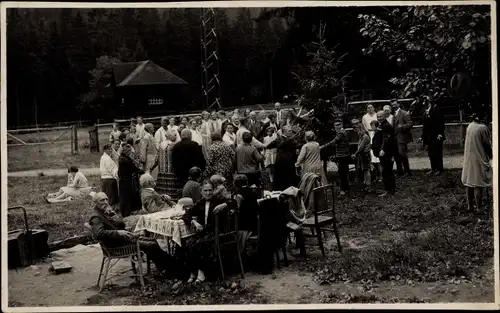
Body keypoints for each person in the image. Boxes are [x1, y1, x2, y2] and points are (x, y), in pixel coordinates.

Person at [88, 192, 170, 276]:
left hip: (122, 240)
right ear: (95, 203)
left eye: (106, 199)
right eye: (102, 200)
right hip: (116, 246)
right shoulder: (96, 217)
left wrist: (113, 215)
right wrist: (118, 232)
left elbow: (122, 224)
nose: (105, 202)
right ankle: (167, 269)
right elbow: (99, 233)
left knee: (152, 240)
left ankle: (168, 265)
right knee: (151, 245)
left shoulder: (104, 212)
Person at [182, 181, 236, 283]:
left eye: (210, 190)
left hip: (218, 232)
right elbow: (186, 214)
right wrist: (194, 222)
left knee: (200, 244)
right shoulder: (200, 202)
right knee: (189, 243)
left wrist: (224, 204)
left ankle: (201, 273)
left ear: (213, 190)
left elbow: (234, 202)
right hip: (205, 231)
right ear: (201, 192)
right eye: (205, 191)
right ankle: (193, 272)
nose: (208, 193)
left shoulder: (218, 200)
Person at [461, 112, 492, 215]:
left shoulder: (470, 126)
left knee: (469, 182)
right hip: (479, 158)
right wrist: (492, 156)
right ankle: (480, 207)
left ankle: (470, 206)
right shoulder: (483, 128)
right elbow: (487, 145)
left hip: (469, 158)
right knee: (478, 183)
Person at [320, 120, 351, 196]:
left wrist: (322, 147)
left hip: (343, 156)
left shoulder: (341, 133)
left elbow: (333, 141)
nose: (337, 126)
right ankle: (346, 188)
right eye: (335, 125)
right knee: (344, 172)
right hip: (343, 155)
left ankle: (343, 190)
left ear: (341, 125)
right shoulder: (341, 132)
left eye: (338, 125)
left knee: (342, 173)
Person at [264, 125, 300, 191]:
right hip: (282, 163)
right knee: (283, 179)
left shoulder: (291, 138)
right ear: (284, 132)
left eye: (291, 131)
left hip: (289, 162)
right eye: (289, 131)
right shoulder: (280, 138)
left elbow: (296, 145)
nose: (291, 132)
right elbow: (274, 145)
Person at [150, 130, 182, 201]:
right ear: (170, 136)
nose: (176, 136)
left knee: (163, 192)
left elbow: (156, 159)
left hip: (162, 172)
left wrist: (151, 168)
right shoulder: (174, 145)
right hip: (172, 172)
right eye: (175, 135)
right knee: (172, 193)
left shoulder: (161, 145)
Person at [371, 110, 397, 197]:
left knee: (387, 171)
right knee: (386, 170)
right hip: (384, 152)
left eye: (381, 116)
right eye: (378, 117)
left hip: (386, 152)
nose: (379, 118)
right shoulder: (381, 125)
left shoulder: (386, 126)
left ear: (385, 116)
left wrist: (383, 149)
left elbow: (386, 139)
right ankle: (390, 189)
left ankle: (389, 190)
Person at [420, 96, 446, 175]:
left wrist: (440, 133)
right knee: (431, 153)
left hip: (436, 135)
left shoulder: (436, 109)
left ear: (429, 102)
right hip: (429, 136)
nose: (424, 103)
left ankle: (439, 169)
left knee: (437, 152)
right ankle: (433, 168)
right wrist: (422, 136)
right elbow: (425, 126)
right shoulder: (425, 112)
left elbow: (440, 122)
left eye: (425, 102)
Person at [118, 144, 144, 217]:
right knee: (127, 198)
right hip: (126, 182)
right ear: (125, 151)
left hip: (127, 181)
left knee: (130, 197)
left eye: (130, 150)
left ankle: (132, 211)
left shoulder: (125, 158)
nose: (130, 152)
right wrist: (141, 171)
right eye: (129, 151)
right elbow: (133, 168)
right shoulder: (124, 159)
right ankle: (129, 213)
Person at [391, 99, 414, 176]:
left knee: (402, 154)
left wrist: (402, 126)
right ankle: (400, 171)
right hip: (395, 137)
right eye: (392, 105)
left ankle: (407, 171)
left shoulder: (404, 113)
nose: (393, 106)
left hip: (402, 137)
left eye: (395, 104)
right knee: (397, 155)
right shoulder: (393, 114)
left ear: (398, 104)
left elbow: (410, 124)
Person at [351, 119, 372, 192]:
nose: (357, 132)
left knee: (366, 170)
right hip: (362, 155)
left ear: (361, 129)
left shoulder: (365, 137)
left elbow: (361, 147)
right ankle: (365, 183)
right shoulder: (361, 136)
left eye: (358, 130)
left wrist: (355, 154)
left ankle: (368, 185)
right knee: (364, 170)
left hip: (365, 155)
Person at [100, 144, 119, 209]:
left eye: (111, 149)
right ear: (105, 150)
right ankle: (111, 209)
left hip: (105, 179)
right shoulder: (107, 159)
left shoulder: (104, 157)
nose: (110, 150)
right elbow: (111, 169)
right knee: (110, 197)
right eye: (109, 149)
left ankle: (108, 208)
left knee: (107, 196)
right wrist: (116, 176)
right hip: (109, 179)